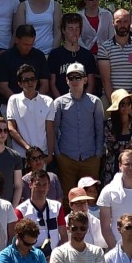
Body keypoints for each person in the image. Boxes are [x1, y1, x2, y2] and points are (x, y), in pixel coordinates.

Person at [52, 61, 105, 195]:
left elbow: (100, 130)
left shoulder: (95, 102)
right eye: (71, 77)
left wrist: (98, 154)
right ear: (66, 80)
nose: (75, 80)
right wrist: (58, 154)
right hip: (66, 157)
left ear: (85, 79)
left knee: (91, 196)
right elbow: (53, 129)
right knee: (67, 196)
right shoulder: (59, 103)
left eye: (78, 77)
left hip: (90, 157)